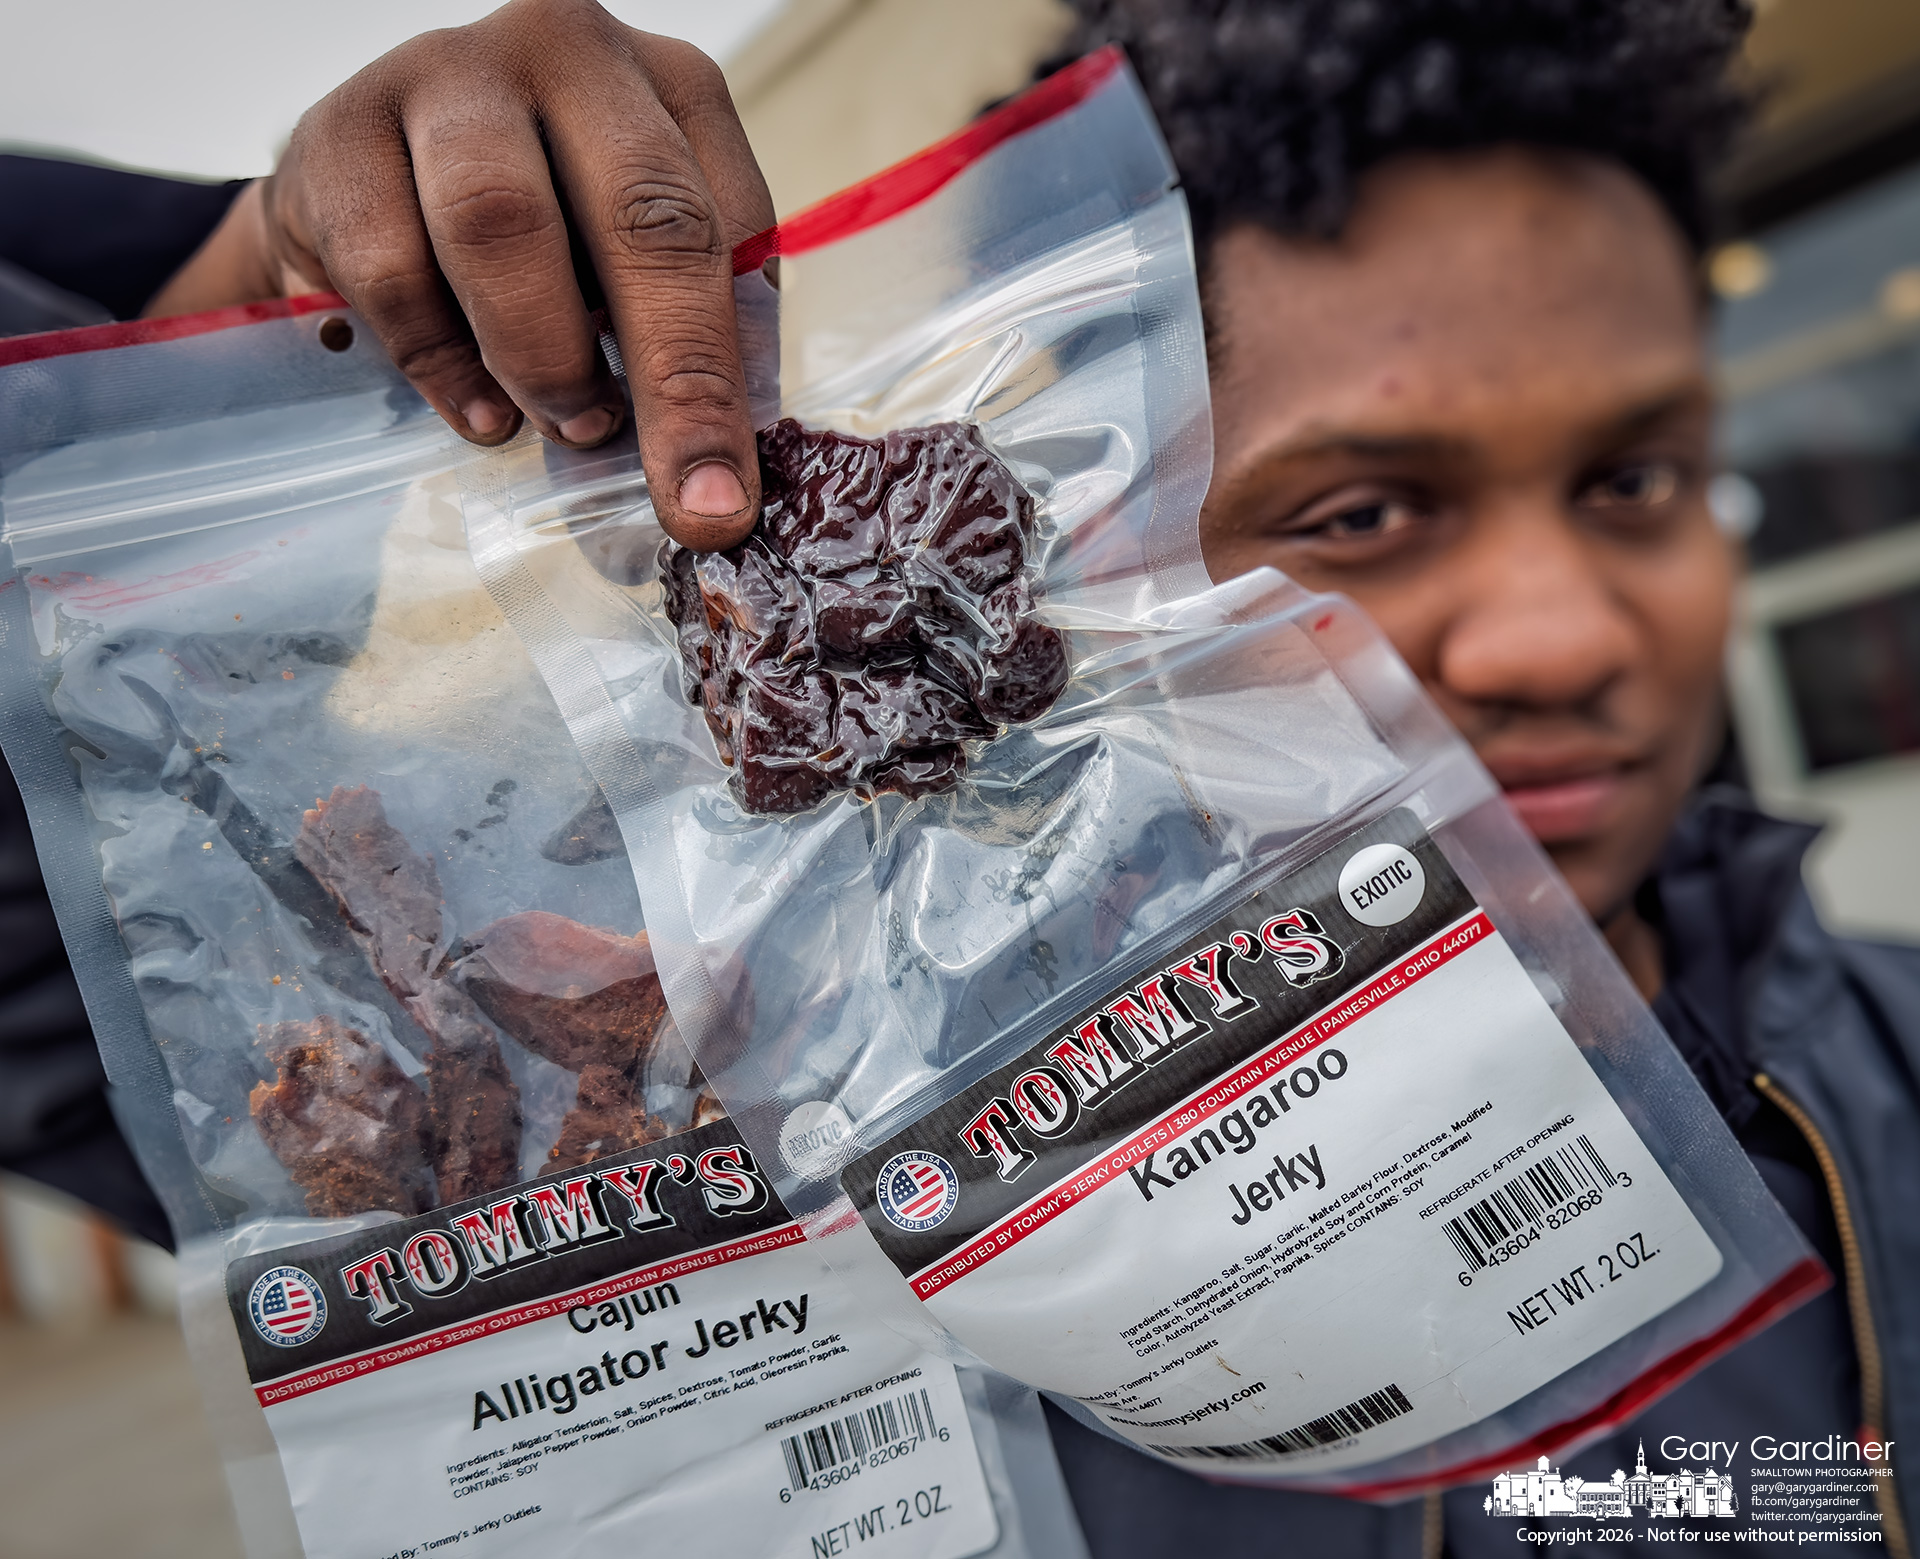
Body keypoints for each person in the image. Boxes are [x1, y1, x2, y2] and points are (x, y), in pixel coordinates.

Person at [2, 1, 1915, 1555]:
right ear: (1102, 553)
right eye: (1365, 505)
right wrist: (225, 314)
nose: (1563, 630)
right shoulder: (768, 1086)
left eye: (1636, 480)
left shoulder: (1891, 1084)